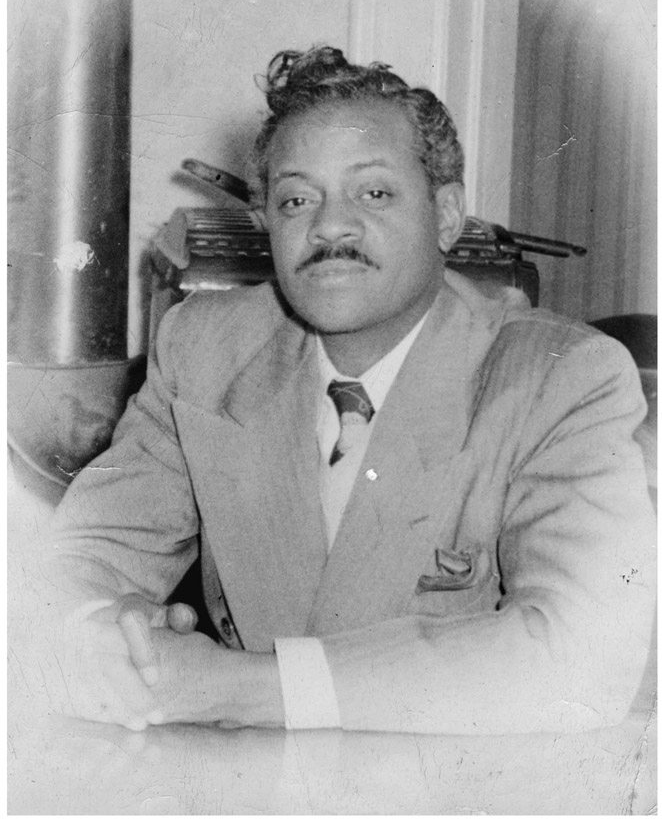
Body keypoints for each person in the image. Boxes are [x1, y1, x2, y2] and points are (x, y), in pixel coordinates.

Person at [46, 45, 655, 736]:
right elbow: (71, 566)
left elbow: (582, 658)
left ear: (446, 215)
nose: (329, 226)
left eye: (373, 193)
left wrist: (239, 689)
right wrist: (102, 629)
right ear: (266, 224)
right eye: (297, 199)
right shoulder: (205, 349)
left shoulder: (562, 377)